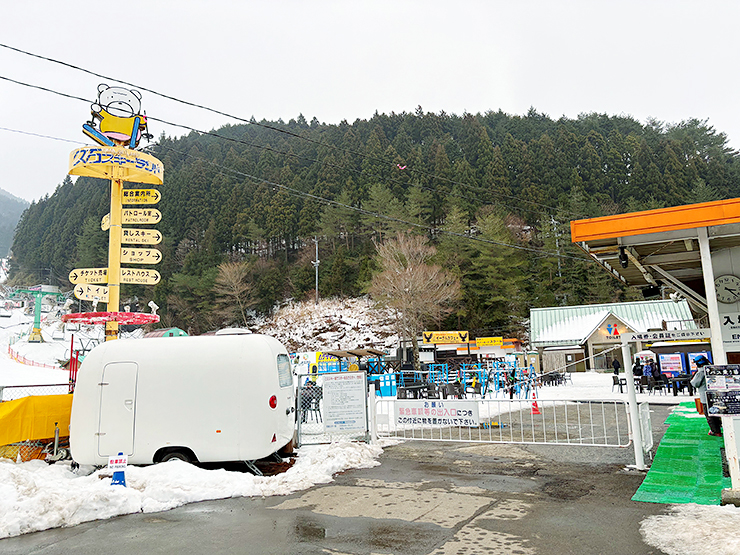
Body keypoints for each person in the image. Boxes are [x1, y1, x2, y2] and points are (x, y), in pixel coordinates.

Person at [690, 355, 722, 437]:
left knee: (709, 414)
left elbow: (694, 383)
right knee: (716, 412)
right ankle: (719, 427)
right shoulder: (711, 368)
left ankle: (715, 431)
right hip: (716, 395)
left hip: (706, 397)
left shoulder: (701, 372)